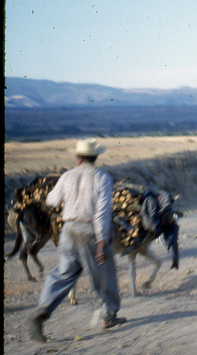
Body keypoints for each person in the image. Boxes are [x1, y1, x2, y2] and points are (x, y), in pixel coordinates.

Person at [29, 138, 126, 343]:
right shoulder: (102, 178)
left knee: (63, 274)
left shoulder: (67, 176)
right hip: (89, 231)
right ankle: (109, 315)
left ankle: (41, 313)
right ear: (95, 157)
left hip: (68, 230)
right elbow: (101, 213)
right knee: (103, 272)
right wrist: (101, 242)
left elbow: (51, 200)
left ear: (79, 158)